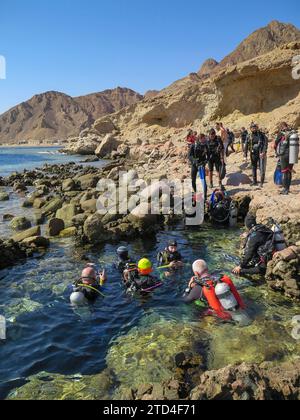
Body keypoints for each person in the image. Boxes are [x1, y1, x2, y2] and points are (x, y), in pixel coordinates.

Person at [274, 122, 294, 195]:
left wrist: (277, 153)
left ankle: (285, 189)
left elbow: (276, 144)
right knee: (289, 171)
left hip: (284, 155)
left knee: (285, 172)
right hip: (292, 154)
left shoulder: (281, 134)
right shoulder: (292, 133)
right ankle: (287, 189)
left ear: (282, 127)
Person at [188, 133, 209, 199]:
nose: (205, 139)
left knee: (203, 180)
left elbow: (208, 155)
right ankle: (196, 192)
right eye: (203, 138)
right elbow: (189, 155)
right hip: (194, 165)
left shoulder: (205, 145)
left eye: (205, 138)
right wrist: (194, 160)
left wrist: (205, 162)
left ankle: (205, 196)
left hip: (201, 164)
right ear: (200, 139)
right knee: (193, 180)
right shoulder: (193, 145)